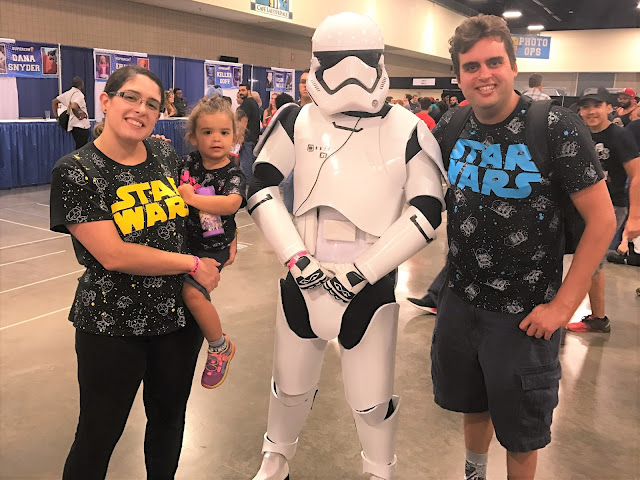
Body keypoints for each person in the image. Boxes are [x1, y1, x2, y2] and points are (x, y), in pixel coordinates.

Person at [248, 12, 445, 480]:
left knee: (371, 398)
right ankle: (275, 459)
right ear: (317, 64)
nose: (350, 72)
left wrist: (363, 271)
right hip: (304, 273)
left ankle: (379, 468)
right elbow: (260, 188)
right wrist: (296, 258)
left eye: (362, 60)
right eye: (338, 60)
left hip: (368, 284)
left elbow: (427, 211)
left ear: (380, 62)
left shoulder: (409, 128)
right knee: (289, 385)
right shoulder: (295, 120)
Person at [430, 15, 615, 480]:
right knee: (473, 403)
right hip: (461, 300)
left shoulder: (556, 127)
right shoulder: (451, 125)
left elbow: (602, 221)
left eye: (495, 62)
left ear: (513, 67)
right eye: (471, 67)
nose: (484, 74)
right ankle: (474, 473)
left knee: (521, 431)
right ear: (459, 76)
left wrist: (563, 307)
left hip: (523, 314)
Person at [49, 65, 221, 480]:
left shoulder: (163, 155)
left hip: (177, 319)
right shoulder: (75, 171)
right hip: (111, 325)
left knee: (168, 422)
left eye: (152, 104)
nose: (141, 109)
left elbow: (193, 201)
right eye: (130, 97)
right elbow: (113, 254)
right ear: (105, 102)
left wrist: (218, 235)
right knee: (97, 434)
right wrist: (192, 263)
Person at [178, 96, 247, 388]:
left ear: (234, 137)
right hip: (184, 242)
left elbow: (231, 204)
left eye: (223, 132)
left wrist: (192, 198)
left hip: (213, 245)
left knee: (192, 293)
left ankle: (219, 346)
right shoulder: (188, 163)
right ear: (193, 137)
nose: (216, 139)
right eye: (207, 132)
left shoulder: (233, 172)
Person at [567, 87, 640, 333]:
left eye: (596, 105)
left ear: (609, 107)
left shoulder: (619, 136)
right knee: (590, 263)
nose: (590, 111)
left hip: (611, 208)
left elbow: (637, 174)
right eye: (586, 106)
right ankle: (598, 319)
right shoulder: (579, 133)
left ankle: (567, 315)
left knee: (589, 262)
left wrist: (635, 217)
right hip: (581, 206)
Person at [52, 76, 91, 149]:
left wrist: (56, 116)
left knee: (78, 147)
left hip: (73, 125)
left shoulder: (68, 93)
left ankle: (77, 159)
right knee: (82, 148)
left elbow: (54, 102)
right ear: (81, 84)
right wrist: (79, 115)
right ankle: (78, 160)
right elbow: (74, 106)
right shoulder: (79, 94)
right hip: (81, 125)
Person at [237, 83, 260, 183]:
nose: (241, 93)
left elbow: (244, 120)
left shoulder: (246, 103)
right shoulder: (254, 102)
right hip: (253, 138)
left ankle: (247, 184)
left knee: (246, 163)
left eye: (243, 90)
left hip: (247, 138)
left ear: (248, 91)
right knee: (250, 161)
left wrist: (240, 136)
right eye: (239, 91)